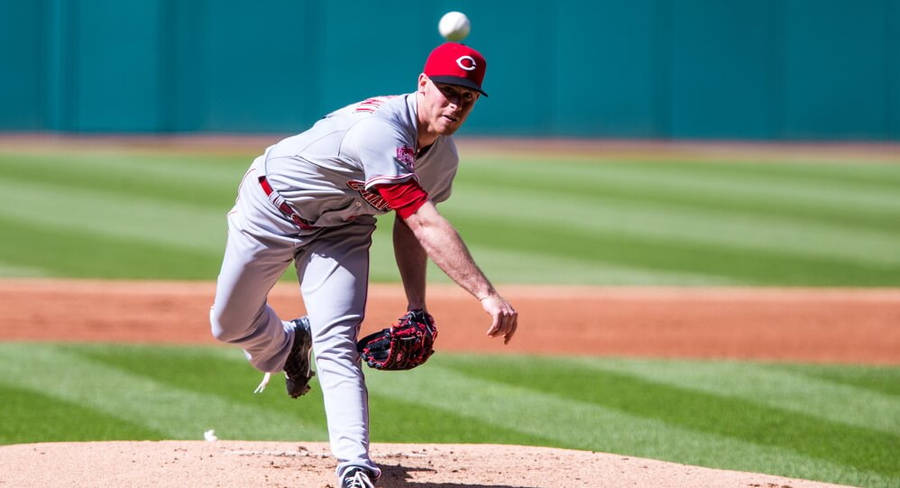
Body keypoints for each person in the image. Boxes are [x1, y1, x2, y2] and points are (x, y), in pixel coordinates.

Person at [209, 42, 518, 488]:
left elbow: (410, 227)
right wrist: (487, 294)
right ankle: (290, 342)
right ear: (423, 85)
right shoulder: (382, 131)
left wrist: (417, 308)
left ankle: (354, 466)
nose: (455, 104)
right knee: (228, 325)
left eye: (466, 97)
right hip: (273, 210)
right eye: (447, 91)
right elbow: (426, 222)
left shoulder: (443, 158)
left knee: (337, 340)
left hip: (343, 228)